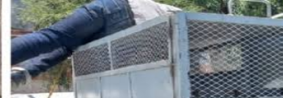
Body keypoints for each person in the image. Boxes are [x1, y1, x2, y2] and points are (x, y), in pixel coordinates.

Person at [12, 0, 180, 85]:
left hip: (113, 8)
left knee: (55, 39)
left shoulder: (165, 16)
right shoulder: (176, 21)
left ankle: (24, 71)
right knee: (62, 44)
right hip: (123, 20)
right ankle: (16, 67)